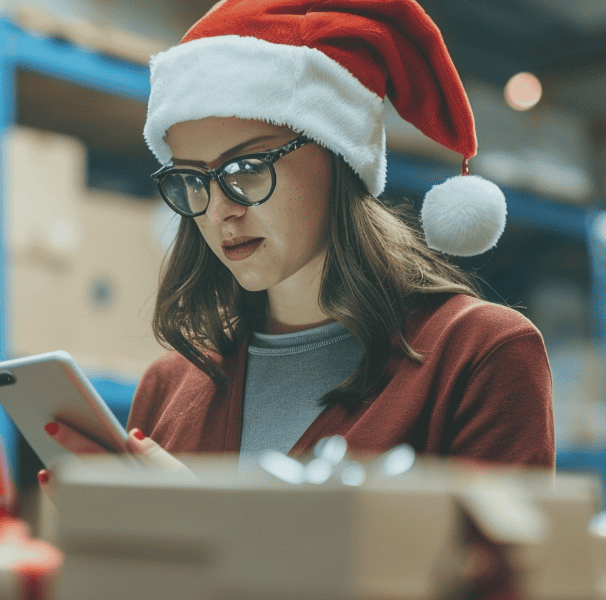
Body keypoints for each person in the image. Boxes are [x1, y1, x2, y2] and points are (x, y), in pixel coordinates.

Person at [38, 0, 555, 488]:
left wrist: (204, 528)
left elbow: (500, 581)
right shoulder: (169, 387)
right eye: (192, 179)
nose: (221, 209)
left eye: (246, 168)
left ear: (338, 153)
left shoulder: (480, 356)